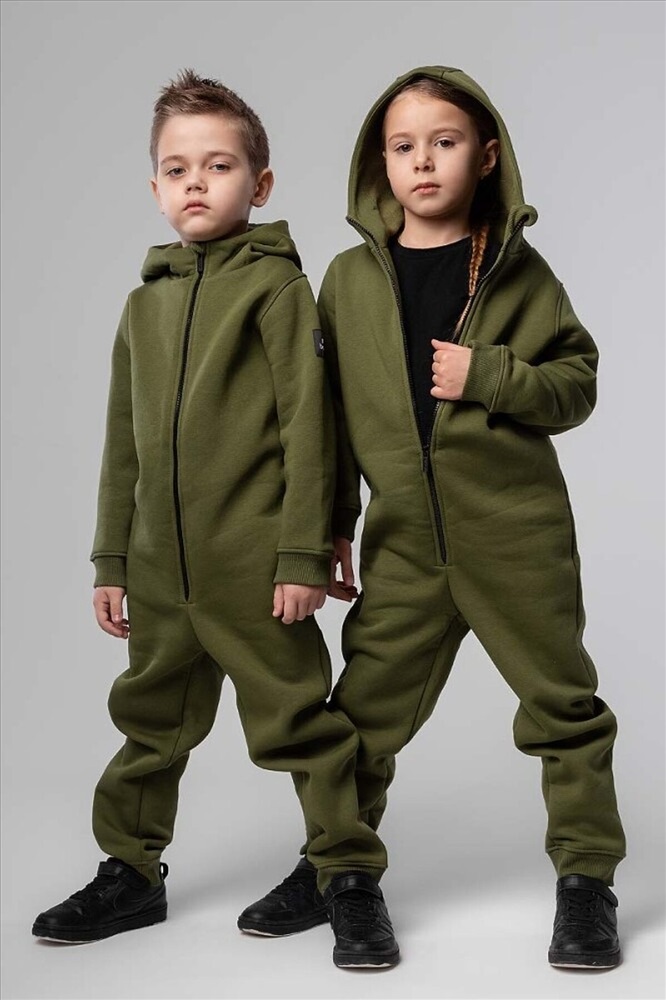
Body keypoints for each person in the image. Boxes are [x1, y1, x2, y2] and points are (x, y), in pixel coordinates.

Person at [240, 65, 626, 970]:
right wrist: (334, 526)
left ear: (484, 157)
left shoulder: (520, 273)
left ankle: (586, 884)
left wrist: (489, 374)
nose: (422, 161)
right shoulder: (346, 281)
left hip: (516, 536)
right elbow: (328, 419)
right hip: (405, 546)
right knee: (359, 717)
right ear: (379, 164)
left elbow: (576, 385)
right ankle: (337, 868)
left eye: (443, 143)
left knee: (563, 709)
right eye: (403, 146)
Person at [31, 70, 396, 968]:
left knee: (300, 724)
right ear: (155, 186)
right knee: (148, 726)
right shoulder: (142, 306)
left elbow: (311, 430)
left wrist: (302, 554)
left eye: (219, 165)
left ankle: (346, 875)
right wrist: (112, 560)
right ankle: (131, 872)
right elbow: (123, 443)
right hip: (161, 572)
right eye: (177, 168)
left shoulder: (277, 290)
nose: (196, 181)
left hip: (255, 570)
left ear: (259, 184)